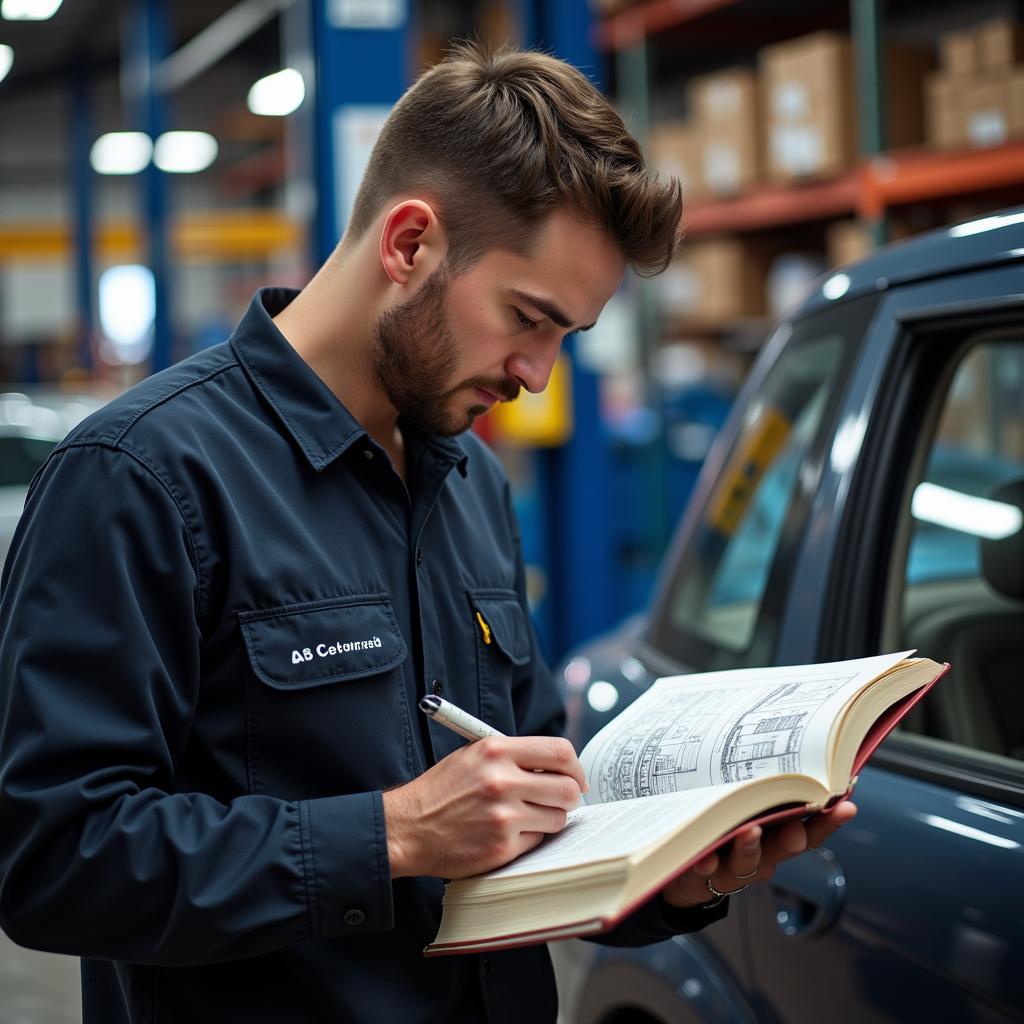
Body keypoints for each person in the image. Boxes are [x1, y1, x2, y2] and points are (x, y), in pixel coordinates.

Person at [0, 42, 856, 1023]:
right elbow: (50, 855)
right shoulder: (143, 476)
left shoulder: (470, 481)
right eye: (525, 318)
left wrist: (684, 873)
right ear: (409, 243)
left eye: (563, 338)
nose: (537, 375)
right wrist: (392, 834)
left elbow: (523, 832)